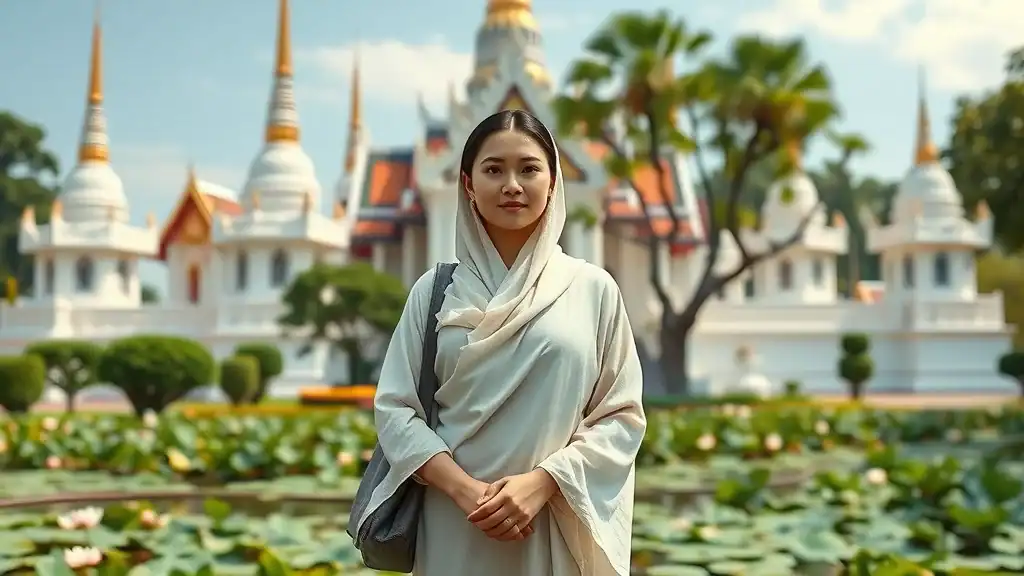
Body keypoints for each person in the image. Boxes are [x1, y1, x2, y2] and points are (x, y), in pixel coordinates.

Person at [352, 108, 646, 576]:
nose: (512, 184)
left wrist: (545, 482)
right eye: (494, 169)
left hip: (554, 519)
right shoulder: (434, 292)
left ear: (553, 182)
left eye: (529, 169)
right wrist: (465, 490)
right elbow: (395, 410)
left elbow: (621, 417)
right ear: (468, 183)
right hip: (455, 522)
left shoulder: (593, 291)